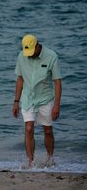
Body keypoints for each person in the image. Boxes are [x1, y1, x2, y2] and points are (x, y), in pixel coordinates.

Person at [12, 34, 62, 168]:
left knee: (47, 130)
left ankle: (50, 159)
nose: (29, 55)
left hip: (45, 98)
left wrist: (57, 105)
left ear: (37, 46)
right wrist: (16, 101)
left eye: (31, 51)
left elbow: (57, 82)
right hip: (28, 98)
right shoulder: (21, 56)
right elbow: (20, 79)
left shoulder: (51, 56)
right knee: (28, 128)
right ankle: (30, 162)